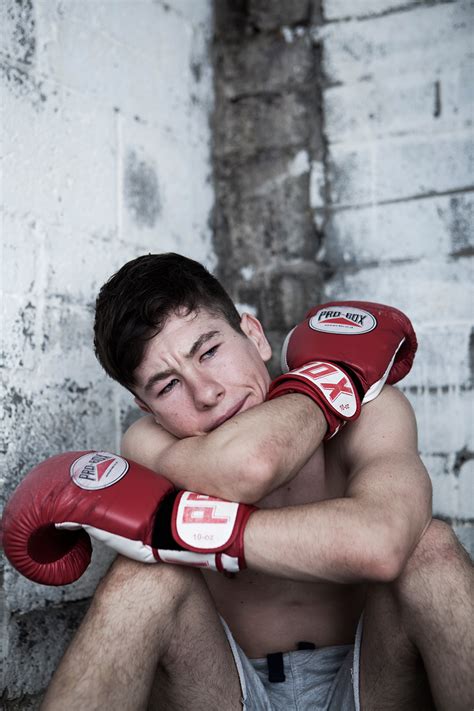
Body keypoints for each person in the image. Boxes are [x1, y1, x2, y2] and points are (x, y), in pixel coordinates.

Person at [40, 253, 473, 711]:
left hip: (374, 683)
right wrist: (331, 388)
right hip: (226, 690)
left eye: (209, 352)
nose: (206, 393)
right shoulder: (149, 442)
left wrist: (183, 530)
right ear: (148, 409)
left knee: (431, 550)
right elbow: (248, 468)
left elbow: (382, 543)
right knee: (141, 578)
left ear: (254, 334)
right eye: (167, 386)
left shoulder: (369, 408)